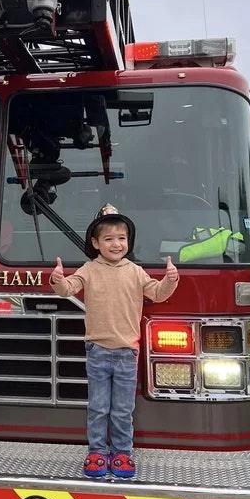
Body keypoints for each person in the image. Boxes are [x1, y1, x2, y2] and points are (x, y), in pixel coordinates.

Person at [50, 204, 179, 479]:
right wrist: (57, 280)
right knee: (98, 408)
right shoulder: (88, 269)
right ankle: (97, 452)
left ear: (128, 241)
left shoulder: (135, 271)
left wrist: (171, 279)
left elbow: (157, 293)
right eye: (108, 239)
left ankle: (122, 453)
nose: (116, 244)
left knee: (122, 409)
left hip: (126, 353)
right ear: (95, 243)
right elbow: (68, 289)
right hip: (97, 351)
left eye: (121, 238)